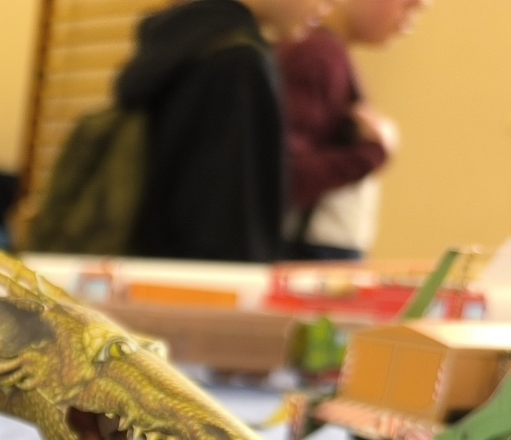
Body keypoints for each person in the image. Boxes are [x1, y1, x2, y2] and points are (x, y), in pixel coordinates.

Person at [115, 0, 334, 262]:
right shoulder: (238, 60)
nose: (327, 7)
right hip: (206, 278)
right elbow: (228, 220)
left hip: (154, 266)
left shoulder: (185, 40)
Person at [279, 0, 431, 260]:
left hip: (321, 246)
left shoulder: (328, 53)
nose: (412, 18)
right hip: (311, 250)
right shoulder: (318, 55)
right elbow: (288, 175)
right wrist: (372, 153)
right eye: (408, 3)